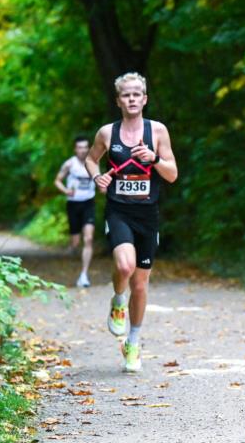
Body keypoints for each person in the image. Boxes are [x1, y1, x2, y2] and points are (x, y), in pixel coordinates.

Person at [84, 72, 178, 372]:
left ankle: (133, 342)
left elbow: (172, 174)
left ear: (145, 99)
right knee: (124, 266)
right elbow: (90, 159)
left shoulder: (158, 131)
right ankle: (117, 299)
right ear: (118, 100)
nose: (132, 98)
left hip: (147, 214)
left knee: (141, 282)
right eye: (126, 94)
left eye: (137, 94)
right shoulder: (106, 133)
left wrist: (153, 159)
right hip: (119, 210)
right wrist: (95, 176)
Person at [54, 135, 97, 287]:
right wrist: (66, 190)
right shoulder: (69, 164)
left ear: (89, 148)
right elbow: (57, 180)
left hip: (88, 203)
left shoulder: (93, 162)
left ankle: (84, 275)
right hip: (73, 204)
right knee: (76, 241)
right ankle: (72, 248)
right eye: (80, 147)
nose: (83, 150)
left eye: (85, 147)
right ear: (75, 149)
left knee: (88, 239)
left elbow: (100, 179)